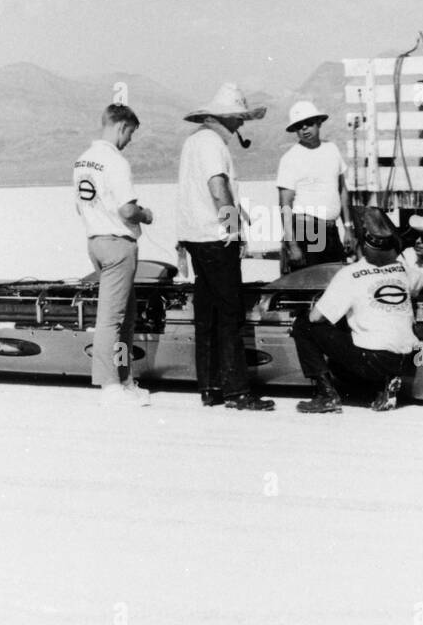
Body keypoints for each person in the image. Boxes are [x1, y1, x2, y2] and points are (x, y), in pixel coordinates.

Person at [176, 83, 275, 410]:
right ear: (223, 117)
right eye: (237, 118)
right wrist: (234, 227)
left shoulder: (195, 142)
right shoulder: (212, 145)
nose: (240, 125)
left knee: (208, 314)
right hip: (216, 239)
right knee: (230, 314)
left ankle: (210, 386)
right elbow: (218, 188)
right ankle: (237, 391)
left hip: (195, 236)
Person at [292, 207, 419, 414]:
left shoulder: (350, 274)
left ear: (361, 243)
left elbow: (316, 317)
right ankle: (383, 385)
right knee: (363, 331)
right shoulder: (405, 270)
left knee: (304, 325)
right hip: (408, 357)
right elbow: (421, 282)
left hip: (374, 359)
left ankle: (326, 395)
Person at [73, 104, 154, 406]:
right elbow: (127, 209)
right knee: (112, 319)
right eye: (130, 133)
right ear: (122, 127)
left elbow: (80, 205)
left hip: (95, 240)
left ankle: (125, 379)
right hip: (117, 245)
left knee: (126, 317)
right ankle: (109, 386)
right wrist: (146, 215)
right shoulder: (115, 161)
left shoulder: (82, 161)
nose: (130, 139)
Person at [276, 100, 353, 273]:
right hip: (307, 229)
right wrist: (292, 244)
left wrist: (348, 228)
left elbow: (342, 191)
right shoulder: (290, 158)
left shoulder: (332, 149)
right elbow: (285, 204)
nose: (304, 129)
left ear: (319, 123)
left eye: (309, 123)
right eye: (299, 126)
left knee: (336, 280)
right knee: (311, 285)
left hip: (331, 229)